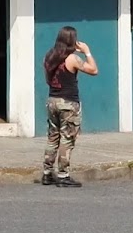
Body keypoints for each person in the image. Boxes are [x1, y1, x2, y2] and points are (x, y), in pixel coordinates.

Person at [40, 26, 98, 187]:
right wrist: (87, 52)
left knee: (53, 137)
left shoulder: (49, 56)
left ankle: (47, 173)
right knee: (67, 139)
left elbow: (48, 79)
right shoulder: (72, 59)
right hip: (68, 103)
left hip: (52, 100)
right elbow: (94, 70)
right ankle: (63, 175)